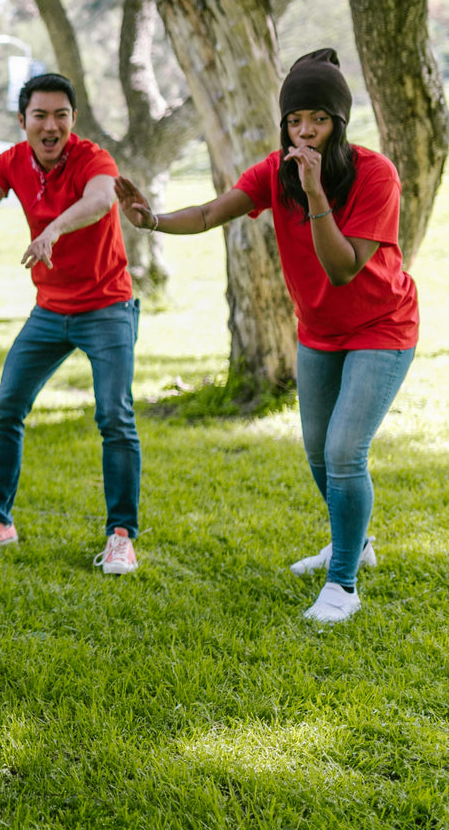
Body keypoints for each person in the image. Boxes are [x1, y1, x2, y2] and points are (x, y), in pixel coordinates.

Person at [117, 49, 417, 623]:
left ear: (339, 123)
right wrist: (152, 219)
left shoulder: (376, 175)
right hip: (320, 332)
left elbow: (344, 268)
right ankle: (357, 541)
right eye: (295, 119)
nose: (304, 131)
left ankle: (343, 584)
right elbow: (209, 213)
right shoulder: (273, 172)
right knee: (317, 456)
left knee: (344, 452)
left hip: (382, 327)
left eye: (318, 119)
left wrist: (316, 196)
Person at [0, 73, 143, 574]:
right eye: (40, 115)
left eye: (61, 115)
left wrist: (53, 229)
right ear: (23, 121)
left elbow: (103, 200)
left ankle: (121, 536)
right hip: (51, 310)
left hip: (107, 306)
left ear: (73, 120)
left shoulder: (93, 159)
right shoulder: (12, 161)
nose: (51, 125)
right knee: (7, 407)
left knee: (114, 417)